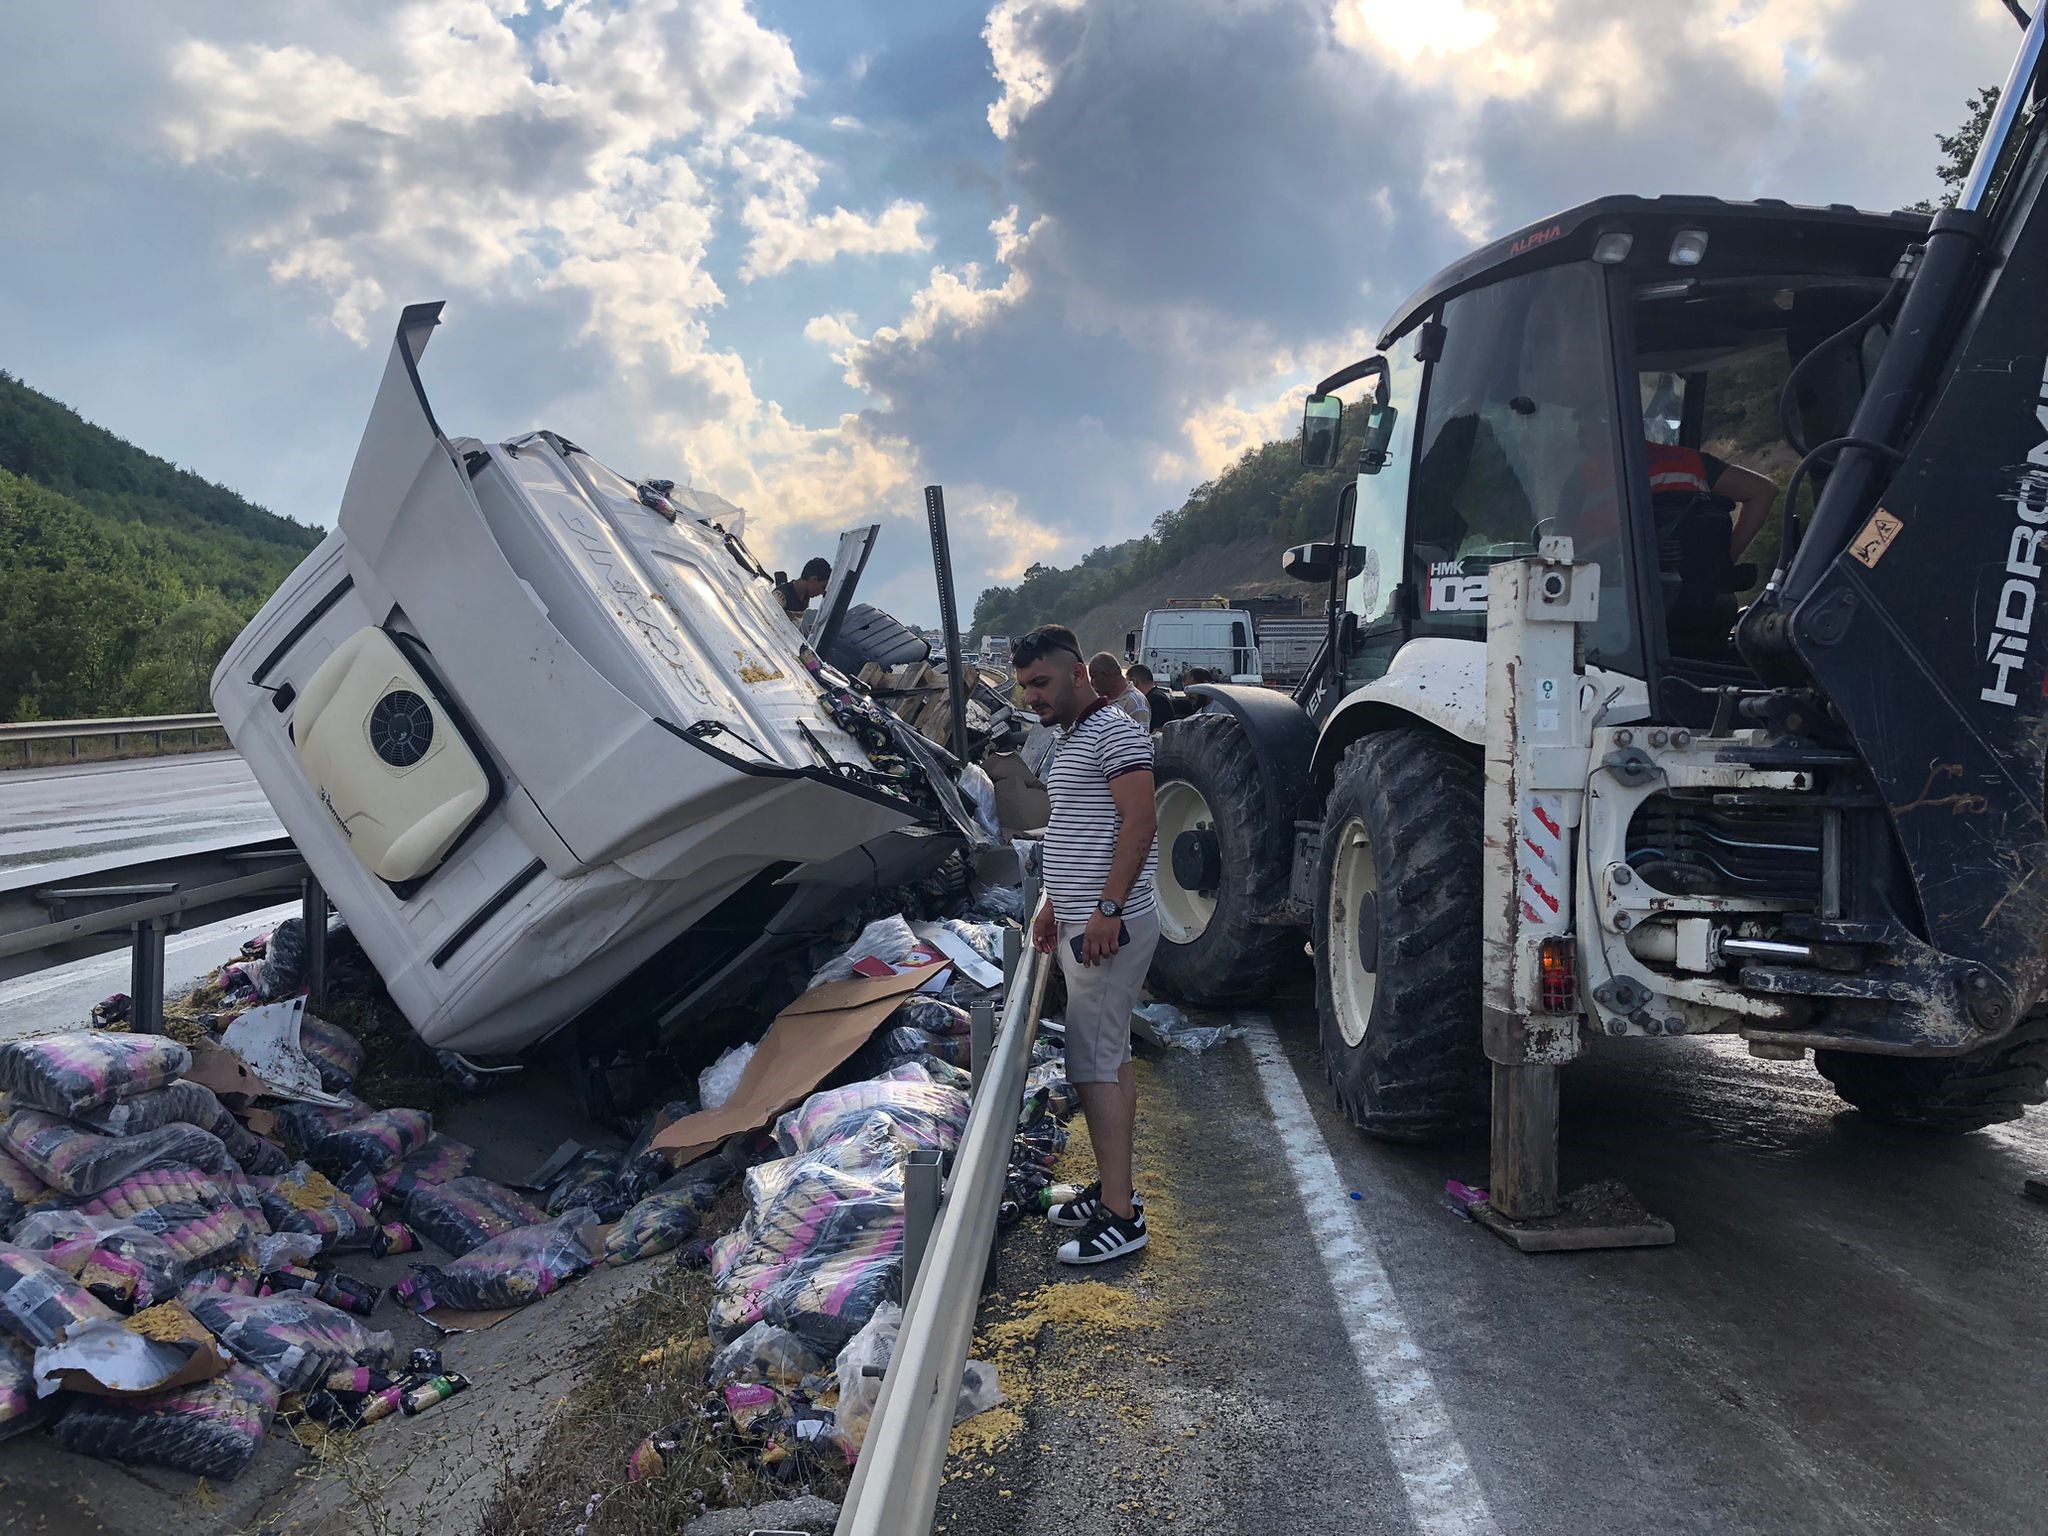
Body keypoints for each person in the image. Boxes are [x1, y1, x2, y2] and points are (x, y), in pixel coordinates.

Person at [1011, 624, 1159, 1265]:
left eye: (1040, 683)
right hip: (1083, 923)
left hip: (1109, 930)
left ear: (1078, 674)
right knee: (1110, 1056)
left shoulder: (1115, 730)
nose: (1031, 698)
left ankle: (1123, 1217)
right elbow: (1077, 831)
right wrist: (1052, 903)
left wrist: (1105, 909)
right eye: (1024, 687)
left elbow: (1141, 820)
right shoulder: (1069, 739)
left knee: (1092, 1066)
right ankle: (1113, 1190)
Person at [1088, 652, 1152, 727]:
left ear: (1104, 675)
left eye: (1093, 677)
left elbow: (1141, 737)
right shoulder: (1103, 701)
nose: (1091, 683)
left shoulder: (1135, 703)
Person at [1125, 663, 1173, 732]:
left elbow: (1157, 732)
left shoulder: (1155, 701)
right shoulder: (1158, 696)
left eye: (1128, 683)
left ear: (1134, 682)